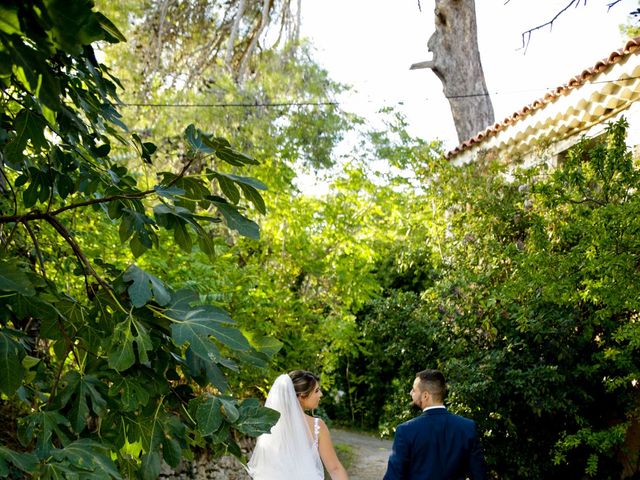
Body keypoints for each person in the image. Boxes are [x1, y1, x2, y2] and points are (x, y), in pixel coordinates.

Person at [384, 369, 487, 480]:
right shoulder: (467, 427)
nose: (410, 393)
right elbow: (479, 475)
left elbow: (393, 476)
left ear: (425, 396)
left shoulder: (405, 431)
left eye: (414, 390)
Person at [247, 370, 349, 480]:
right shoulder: (317, 426)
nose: (321, 394)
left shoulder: (269, 425)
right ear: (301, 396)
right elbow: (335, 469)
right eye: (316, 391)